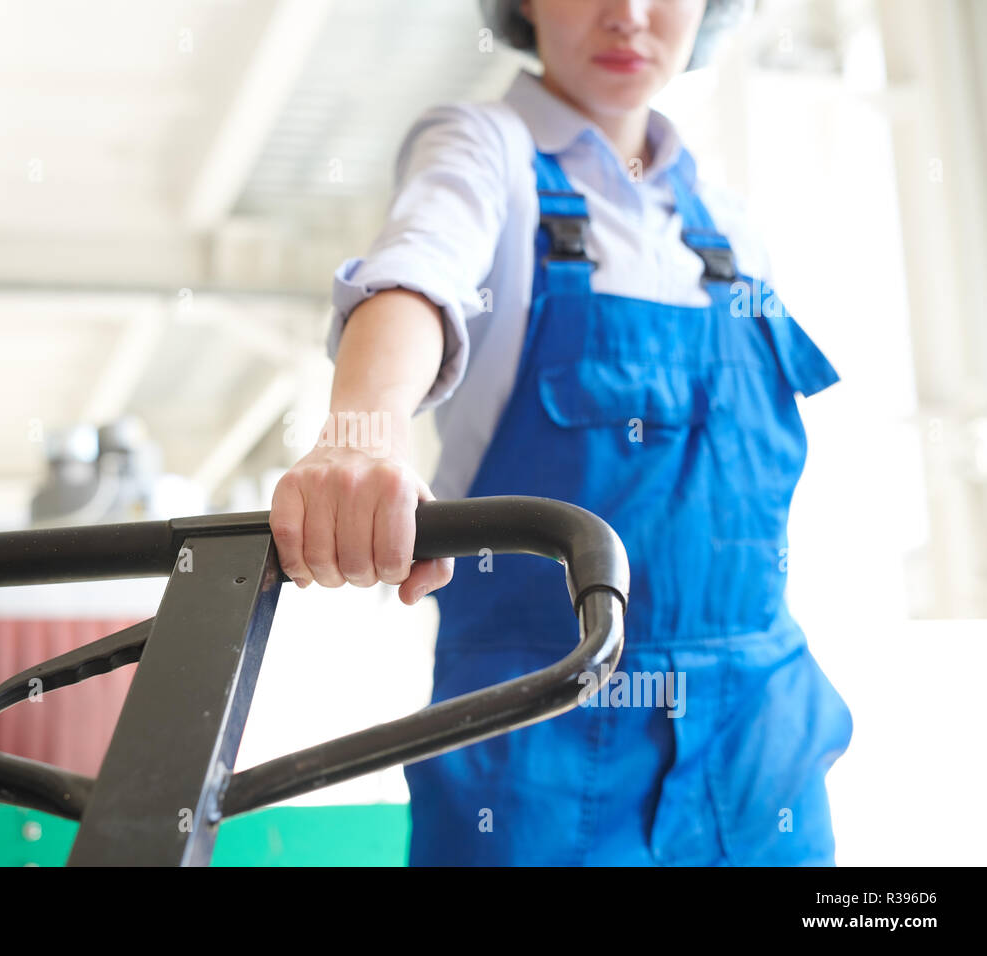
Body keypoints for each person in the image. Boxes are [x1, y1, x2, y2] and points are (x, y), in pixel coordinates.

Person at [268, 0, 854, 866]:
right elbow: (419, 269)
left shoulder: (733, 228)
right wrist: (361, 431)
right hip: (533, 752)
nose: (629, 14)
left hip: (760, 747)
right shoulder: (484, 151)